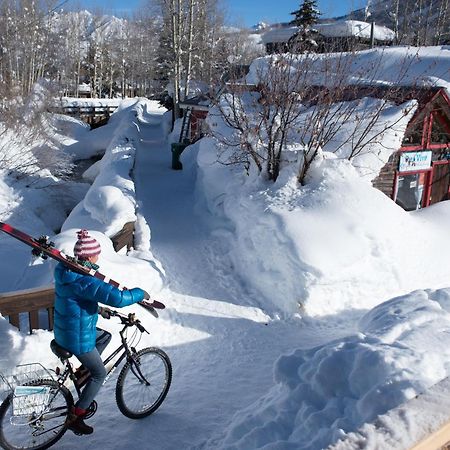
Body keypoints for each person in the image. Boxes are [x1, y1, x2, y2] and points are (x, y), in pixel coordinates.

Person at [53, 229, 149, 435]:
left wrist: (98, 309)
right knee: (99, 374)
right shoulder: (86, 280)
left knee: (105, 336)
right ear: (89, 256)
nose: (98, 257)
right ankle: (76, 416)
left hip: (65, 331)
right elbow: (119, 299)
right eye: (97, 253)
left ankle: (82, 372)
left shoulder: (66, 272)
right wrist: (140, 293)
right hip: (77, 338)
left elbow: (74, 299)